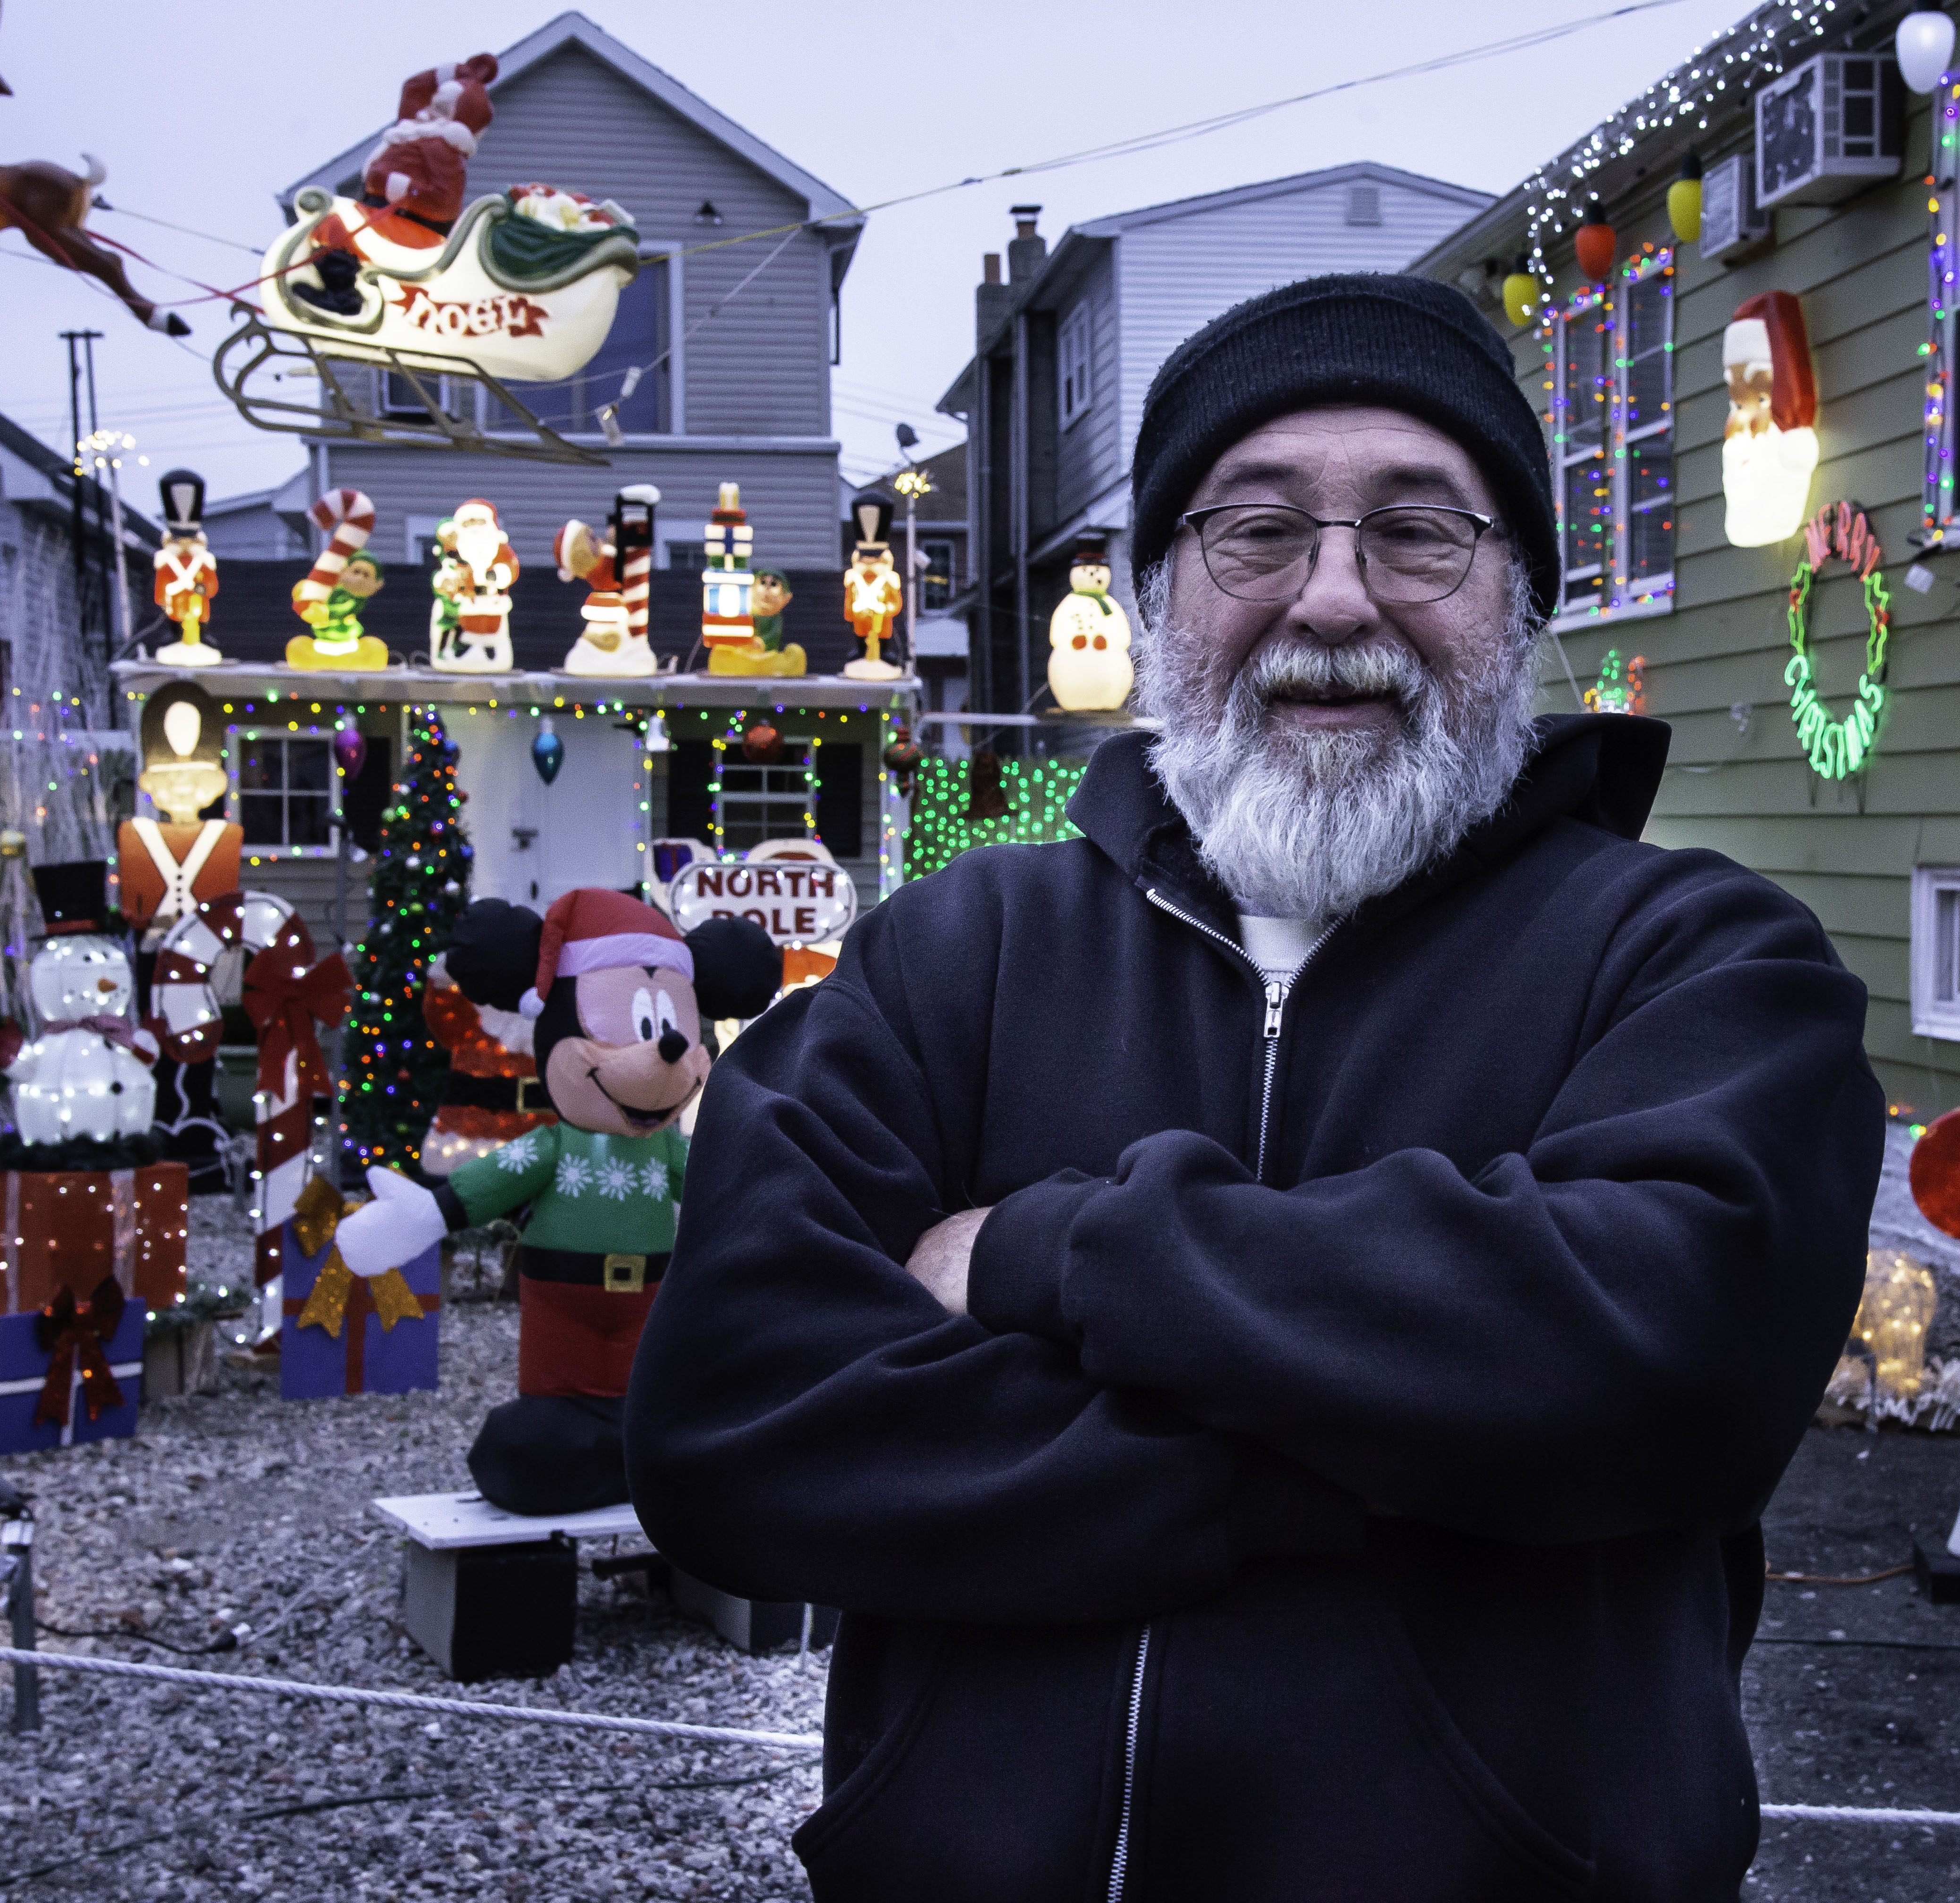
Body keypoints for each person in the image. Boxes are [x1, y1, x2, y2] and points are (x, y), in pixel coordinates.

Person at [628, 272, 1882, 1900]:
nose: (1338, 600)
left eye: (1422, 533)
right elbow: (732, 1423)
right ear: (1159, 594)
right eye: (1258, 532)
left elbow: (1674, 1361)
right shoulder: (960, 959)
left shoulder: (1699, 962)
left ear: (1524, 608)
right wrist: (1428, 1451)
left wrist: (1042, 1257)